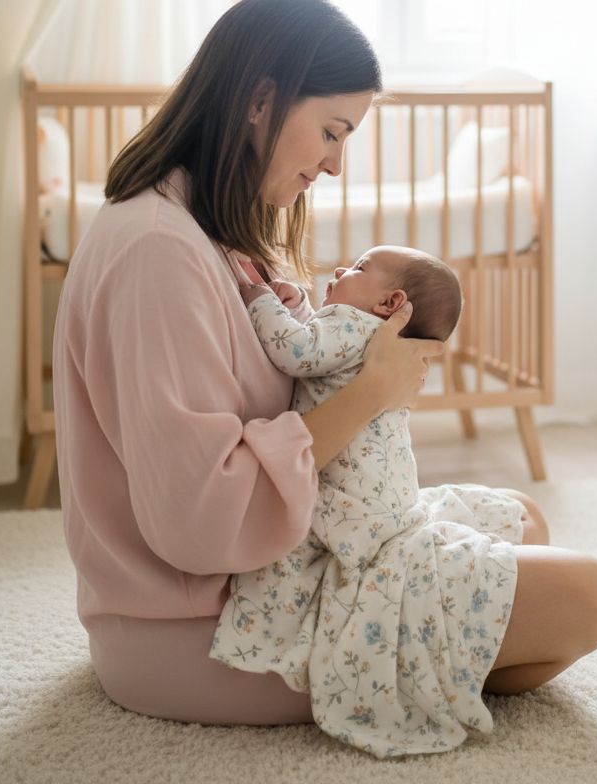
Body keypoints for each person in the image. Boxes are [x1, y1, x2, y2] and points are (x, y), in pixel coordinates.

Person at [52, 0, 597, 731]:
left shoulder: (204, 226)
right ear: (260, 99)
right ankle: (432, 662)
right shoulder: (158, 252)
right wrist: (374, 389)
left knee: (527, 520)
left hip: (271, 570)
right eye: (330, 131)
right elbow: (195, 520)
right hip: (204, 626)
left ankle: (441, 655)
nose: (335, 164)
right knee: (589, 596)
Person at [212, 244, 533, 756]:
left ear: (391, 303)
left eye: (360, 268)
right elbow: (313, 348)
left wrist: (259, 298)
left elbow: (296, 352)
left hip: (356, 513)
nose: (341, 269)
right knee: (524, 525)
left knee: (524, 529)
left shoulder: (350, 324)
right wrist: (295, 304)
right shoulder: (372, 338)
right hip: (385, 502)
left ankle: (459, 657)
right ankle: (471, 657)